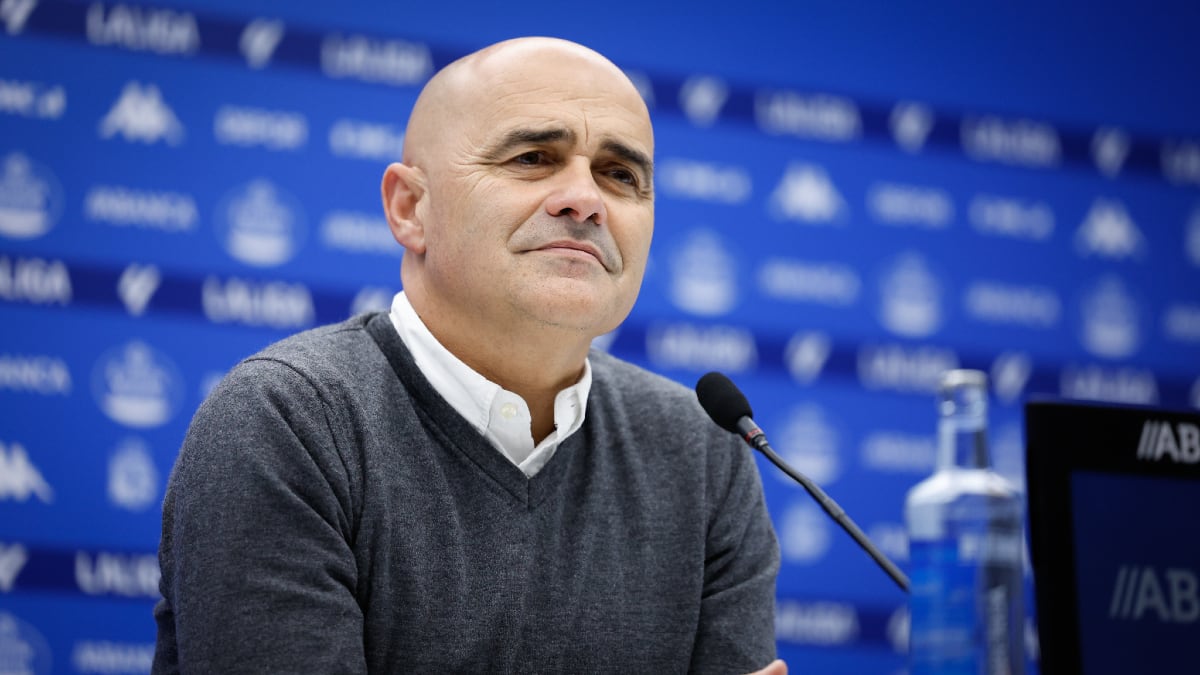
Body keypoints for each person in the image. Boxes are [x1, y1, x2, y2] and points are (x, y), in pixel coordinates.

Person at [153, 36, 784, 674]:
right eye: (534, 157)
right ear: (411, 209)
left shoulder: (704, 451)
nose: (585, 199)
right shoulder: (288, 421)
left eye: (621, 176)